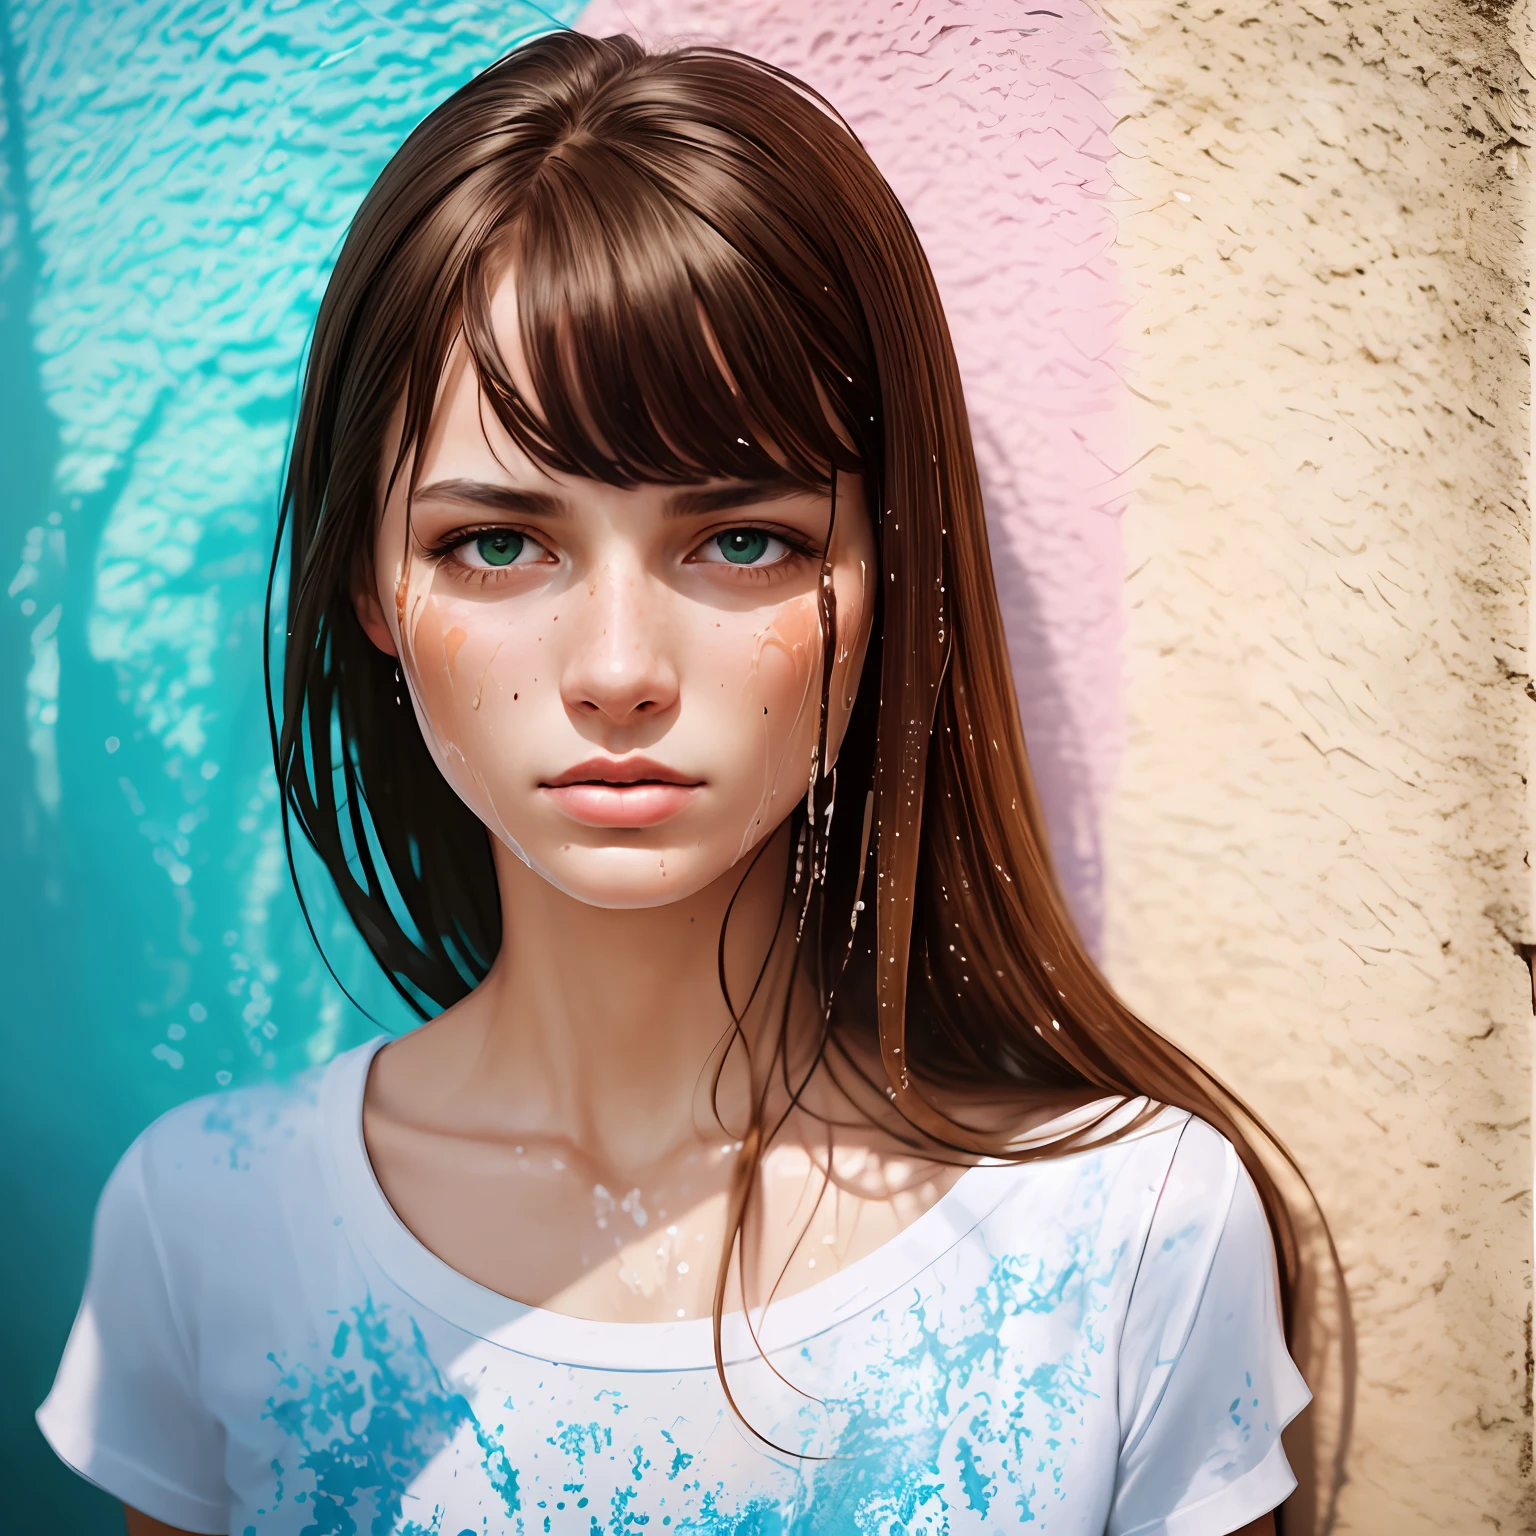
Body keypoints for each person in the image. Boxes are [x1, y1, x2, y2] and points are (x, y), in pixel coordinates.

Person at [38, 30, 1313, 1536]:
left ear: (888, 566)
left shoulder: (1131, 1233)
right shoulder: (204, 1232)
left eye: (742, 537)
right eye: (496, 543)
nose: (619, 667)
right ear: (372, 588)